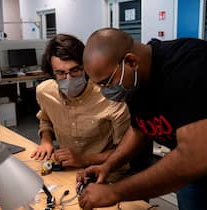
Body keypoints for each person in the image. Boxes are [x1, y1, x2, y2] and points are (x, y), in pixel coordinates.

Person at [77, 27, 207, 210]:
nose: (105, 91)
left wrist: (115, 192)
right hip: (194, 179)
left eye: (106, 82)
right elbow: (140, 128)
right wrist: (108, 165)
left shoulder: (191, 66)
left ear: (131, 61)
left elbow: (196, 159)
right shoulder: (135, 79)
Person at [30, 34, 131, 182]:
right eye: (60, 73)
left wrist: (84, 159)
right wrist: (46, 140)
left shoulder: (110, 98)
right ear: (52, 73)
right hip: (68, 173)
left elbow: (126, 151)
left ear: (86, 67)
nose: (69, 78)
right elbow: (46, 119)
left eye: (75, 70)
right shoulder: (45, 92)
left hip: (107, 175)